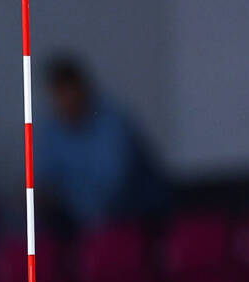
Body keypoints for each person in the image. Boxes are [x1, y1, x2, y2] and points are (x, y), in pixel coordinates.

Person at [35, 56, 167, 231]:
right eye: (58, 95)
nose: (65, 101)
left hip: (135, 215)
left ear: (83, 89)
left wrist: (69, 199)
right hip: (85, 220)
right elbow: (46, 179)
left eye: (68, 92)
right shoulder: (51, 128)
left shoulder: (113, 121)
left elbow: (113, 185)